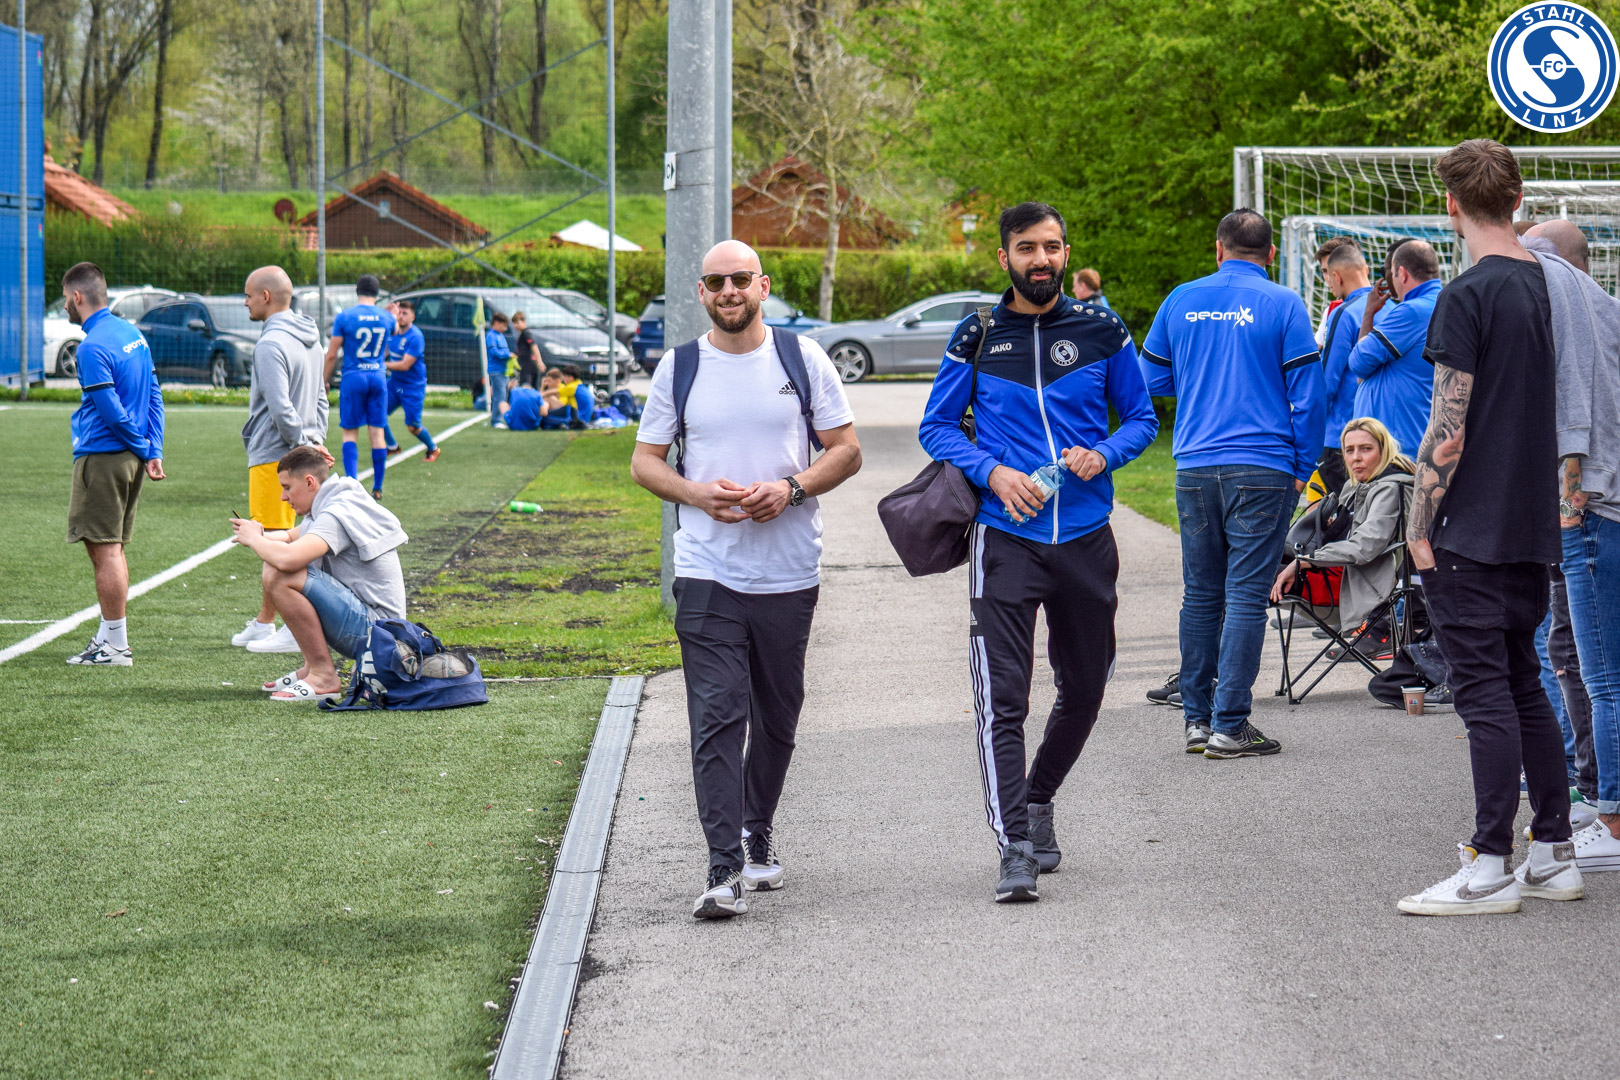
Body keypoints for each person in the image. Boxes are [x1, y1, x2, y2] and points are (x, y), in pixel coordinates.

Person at [920, 202, 1157, 903]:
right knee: (1005, 699)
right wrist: (992, 472)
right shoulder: (977, 334)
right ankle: (1015, 847)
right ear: (1005, 258)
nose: (1042, 259)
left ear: (1065, 253)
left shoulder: (1103, 329)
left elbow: (1142, 418)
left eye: (1052, 247)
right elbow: (938, 427)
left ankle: (1038, 796)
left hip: (1086, 538)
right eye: (1027, 248)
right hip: (1006, 539)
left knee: (1085, 689)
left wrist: (1104, 454)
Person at [630, 239, 862, 920]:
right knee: (717, 716)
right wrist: (695, 494)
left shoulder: (803, 358)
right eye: (715, 282)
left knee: (778, 718)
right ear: (701, 292)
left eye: (739, 279)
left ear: (762, 285)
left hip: (789, 572)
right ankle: (722, 867)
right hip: (707, 571)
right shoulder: (680, 367)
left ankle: (758, 832)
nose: (728, 291)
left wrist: (791, 488)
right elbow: (645, 462)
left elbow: (846, 450)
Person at [1398, 139, 1578, 916]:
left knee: (1483, 692)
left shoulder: (1468, 294)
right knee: (1523, 681)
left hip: (1470, 524)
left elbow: (1449, 428)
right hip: (1535, 519)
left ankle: (1491, 865)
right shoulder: (1558, 288)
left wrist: (1418, 524)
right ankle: (1554, 852)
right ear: (1517, 199)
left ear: (1451, 205)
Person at [1139, 209, 1324, 758]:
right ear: (1271, 254)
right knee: (1245, 596)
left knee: (1200, 594)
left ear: (1218, 249)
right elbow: (1309, 396)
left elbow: (1149, 377)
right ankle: (1230, 725)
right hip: (1264, 466)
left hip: (1195, 465)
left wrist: (1201, 375)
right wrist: (1302, 467)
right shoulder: (1284, 303)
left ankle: (1197, 722)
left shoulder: (1181, 298)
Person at [1522, 218, 1620, 870]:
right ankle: (1593, 792)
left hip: (1588, 510)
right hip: (1603, 509)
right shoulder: (1609, 312)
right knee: (1582, 662)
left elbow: (1571, 418)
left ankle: (1611, 819)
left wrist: (1566, 502)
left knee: (1602, 676)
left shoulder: (1572, 313)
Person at [230, 445, 409, 704]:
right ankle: (311, 669)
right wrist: (258, 535)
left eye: (287, 487)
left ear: (309, 482)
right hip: (380, 629)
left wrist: (255, 541)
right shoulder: (336, 498)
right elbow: (291, 536)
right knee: (276, 565)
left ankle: (323, 677)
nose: (283, 497)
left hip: (379, 636)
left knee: (281, 574)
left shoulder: (336, 513)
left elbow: (288, 559)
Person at [60, 261, 166, 667]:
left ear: (78, 297)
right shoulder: (132, 334)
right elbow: (154, 394)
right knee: (113, 549)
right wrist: (152, 449)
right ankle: (108, 637)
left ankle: (116, 646)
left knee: (104, 551)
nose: (65, 306)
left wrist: (141, 445)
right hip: (131, 457)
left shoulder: (91, 347)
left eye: (66, 298)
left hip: (104, 457)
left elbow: (112, 413)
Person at [232, 265, 331, 657]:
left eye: (248, 295)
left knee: (272, 540)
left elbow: (279, 407)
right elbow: (321, 397)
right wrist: (315, 442)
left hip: (275, 456)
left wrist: (304, 447)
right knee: (294, 538)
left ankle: (288, 625)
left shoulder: (269, 344)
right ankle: (265, 621)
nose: (245, 302)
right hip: (300, 452)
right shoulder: (313, 339)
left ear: (265, 297)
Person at [1271, 417, 1412, 635]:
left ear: (1383, 450)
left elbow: (1365, 546)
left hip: (1357, 586)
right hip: (1338, 573)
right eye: (1349, 450)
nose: (1356, 457)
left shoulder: (1390, 489)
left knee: (1254, 578)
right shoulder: (1354, 486)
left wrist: (1306, 561)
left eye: (1366, 449)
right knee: (1255, 566)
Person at [1348, 240, 1442, 457]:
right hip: (1416, 438)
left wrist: (1368, 313)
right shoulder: (1441, 302)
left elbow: (1358, 364)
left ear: (1402, 273)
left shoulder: (1412, 311)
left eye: (1391, 272)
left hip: (1397, 449)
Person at [323, 274, 395, 499]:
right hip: (377, 376)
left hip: (354, 376)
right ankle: (377, 488)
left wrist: (324, 380)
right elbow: (388, 344)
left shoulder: (345, 317)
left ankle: (353, 485)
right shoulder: (387, 317)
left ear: (357, 291)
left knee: (349, 433)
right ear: (377, 293)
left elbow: (332, 354)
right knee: (377, 433)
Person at [1315, 241, 1373, 497]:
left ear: (1336, 277)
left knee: (1344, 510)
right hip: (1378, 435)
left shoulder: (1343, 313)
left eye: (1327, 274)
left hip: (1342, 438)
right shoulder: (1394, 309)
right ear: (1366, 270)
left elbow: (1328, 379)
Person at [380, 300, 441, 463]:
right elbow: (383, 352)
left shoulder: (416, 336)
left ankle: (433, 448)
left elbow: (405, 365)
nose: (401, 316)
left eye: (405, 313)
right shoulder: (392, 333)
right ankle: (392, 446)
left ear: (413, 317)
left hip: (413, 387)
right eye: (399, 313)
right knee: (377, 412)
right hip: (394, 383)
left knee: (413, 426)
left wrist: (380, 365)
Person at [1313, 237, 1353, 346]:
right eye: (1324, 271)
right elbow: (1315, 349)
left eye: (1332, 270)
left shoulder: (1376, 307)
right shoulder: (1331, 310)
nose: (1329, 277)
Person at [485, 313, 512, 428]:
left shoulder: (500, 335)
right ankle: (495, 421)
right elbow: (494, 352)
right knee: (499, 396)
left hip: (504, 370)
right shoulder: (491, 336)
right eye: (503, 326)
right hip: (496, 370)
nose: (505, 329)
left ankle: (499, 418)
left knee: (504, 395)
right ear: (496, 323)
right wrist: (507, 355)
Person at [513, 311, 543, 389]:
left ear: (524, 321)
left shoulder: (526, 333)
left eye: (517, 323)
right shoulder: (522, 334)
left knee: (527, 388)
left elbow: (534, 346)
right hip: (525, 366)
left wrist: (539, 361)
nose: (515, 325)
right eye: (514, 323)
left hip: (528, 367)